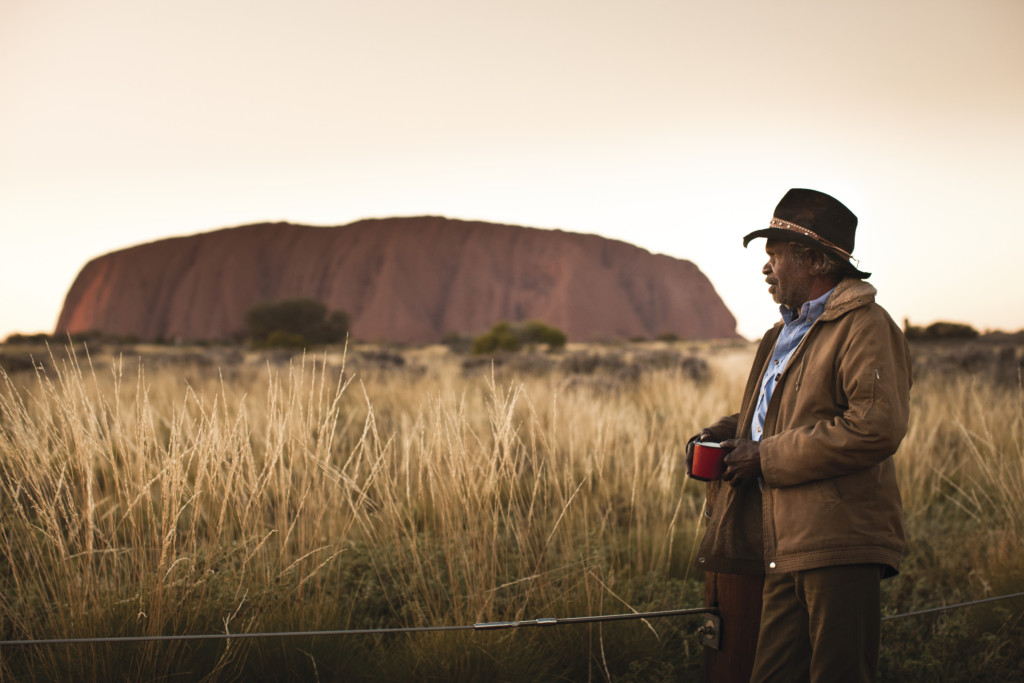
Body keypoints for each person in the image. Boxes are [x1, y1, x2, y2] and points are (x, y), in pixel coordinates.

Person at [686, 188, 912, 683]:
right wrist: (717, 436)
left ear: (814, 260)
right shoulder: (784, 334)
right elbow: (769, 419)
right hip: (784, 541)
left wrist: (763, 458)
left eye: (776, 254)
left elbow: (875, 427)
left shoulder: (865, 326)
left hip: (840, 539)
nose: (766, 268)